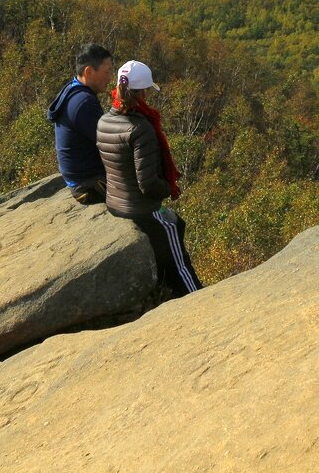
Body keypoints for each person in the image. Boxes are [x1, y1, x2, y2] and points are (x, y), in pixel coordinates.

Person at [97, 59, 203, 297]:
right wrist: (168, 187)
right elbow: (147, 184)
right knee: (175, 241)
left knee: (176, 224)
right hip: (140, 209)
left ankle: (164, 288)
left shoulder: (104, 121)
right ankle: (196, 297)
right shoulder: (141, 128)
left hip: (115, 203)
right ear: (143, 91)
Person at [47, 43, 113, 204]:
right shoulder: (83, 102)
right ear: (89, 72)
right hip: (89, 185)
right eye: (107, 72)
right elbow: (110, 143)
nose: (111, 77)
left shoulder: (72, 90)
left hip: (78, 179)